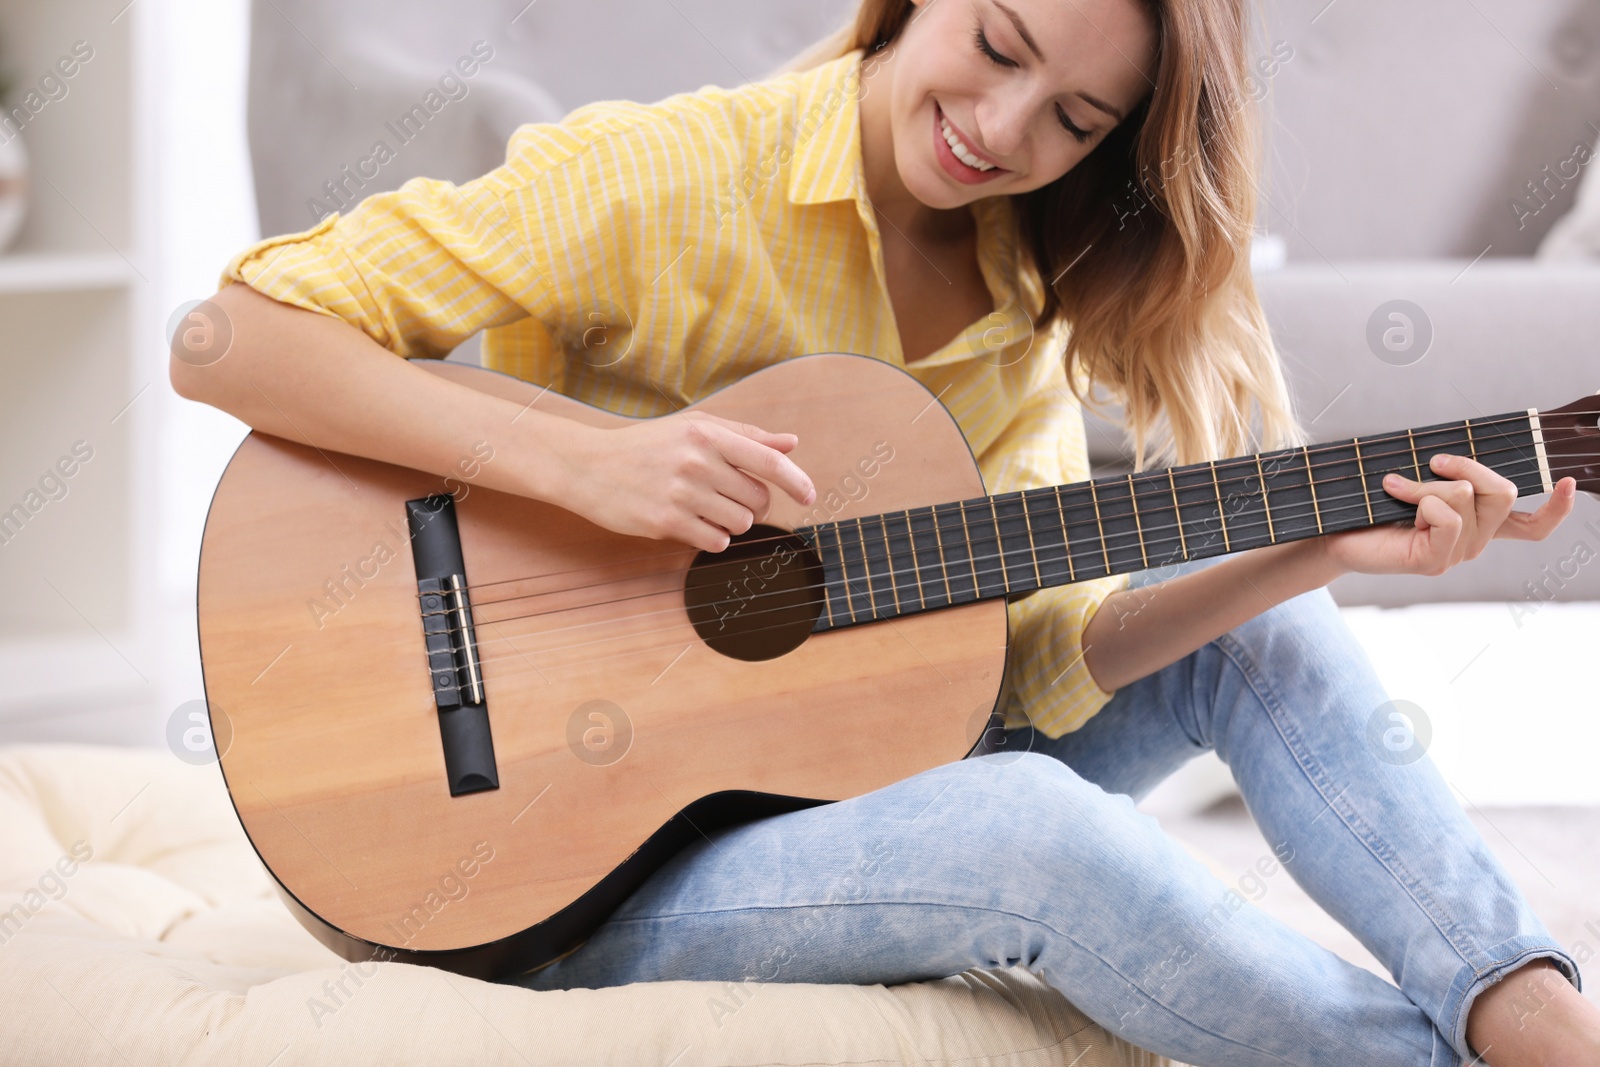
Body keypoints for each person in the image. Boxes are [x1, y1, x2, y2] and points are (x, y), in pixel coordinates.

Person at [172, 0, 1598, 1062]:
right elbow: (229, 334)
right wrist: (584, 465)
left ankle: (1525, 1011)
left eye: (1075, 122)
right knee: (1031, 831)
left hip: (831, 779)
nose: (1003, 129)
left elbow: (1038, 669)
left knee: (1272, 621)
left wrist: (1317, 545)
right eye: (995, 44)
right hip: (554, 869)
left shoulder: (1014, 302)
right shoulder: (672, 176)